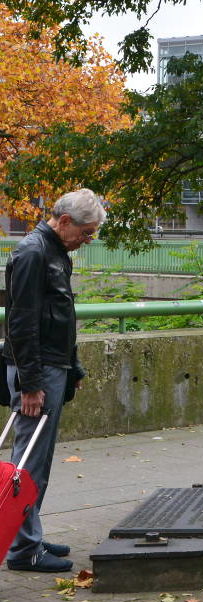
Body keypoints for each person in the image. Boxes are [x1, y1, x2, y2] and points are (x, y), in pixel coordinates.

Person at [2, 189, 105, 573]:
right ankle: (24, 548)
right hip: (38, 370)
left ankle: (28, 534)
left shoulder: (54, 251)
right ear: (64, 221)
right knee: (28, 462)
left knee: (37, 461)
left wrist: (72, 367)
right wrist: (30, 383)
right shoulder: (33, 253)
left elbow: (61, 316)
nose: (87, 240)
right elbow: (21, 322)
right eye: (86, 232)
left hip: (50, 366)